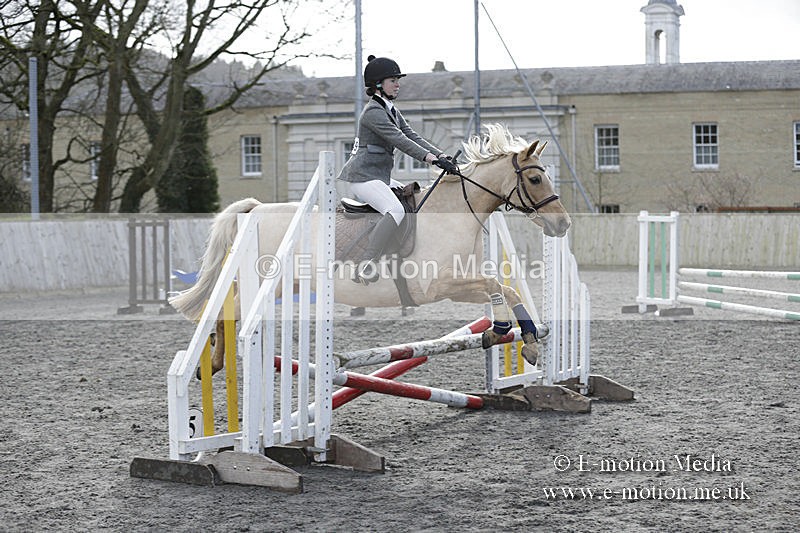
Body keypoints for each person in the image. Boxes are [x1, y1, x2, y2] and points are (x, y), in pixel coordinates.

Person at [338, 55, 458, 285]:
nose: (397, 84)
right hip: (363, 177)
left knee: (410, 198)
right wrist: (431, 159)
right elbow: (399, 139)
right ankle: (366, 263)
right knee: (395, 210)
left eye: (397, 80)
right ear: (378, 85)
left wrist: (442, 155)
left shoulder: (390, 109)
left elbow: (412, 134)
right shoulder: (373, 112)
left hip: (379, 176)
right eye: (393, 80)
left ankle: (397, 254)